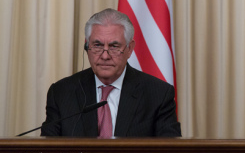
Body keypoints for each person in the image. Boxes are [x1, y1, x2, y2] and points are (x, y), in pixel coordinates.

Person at [41, 8, 181, 137]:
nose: (105, 56)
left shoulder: (158, 94)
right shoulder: (61, 93)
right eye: (97, 45)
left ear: (129, 49)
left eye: (114, 46)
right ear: (86, 46)